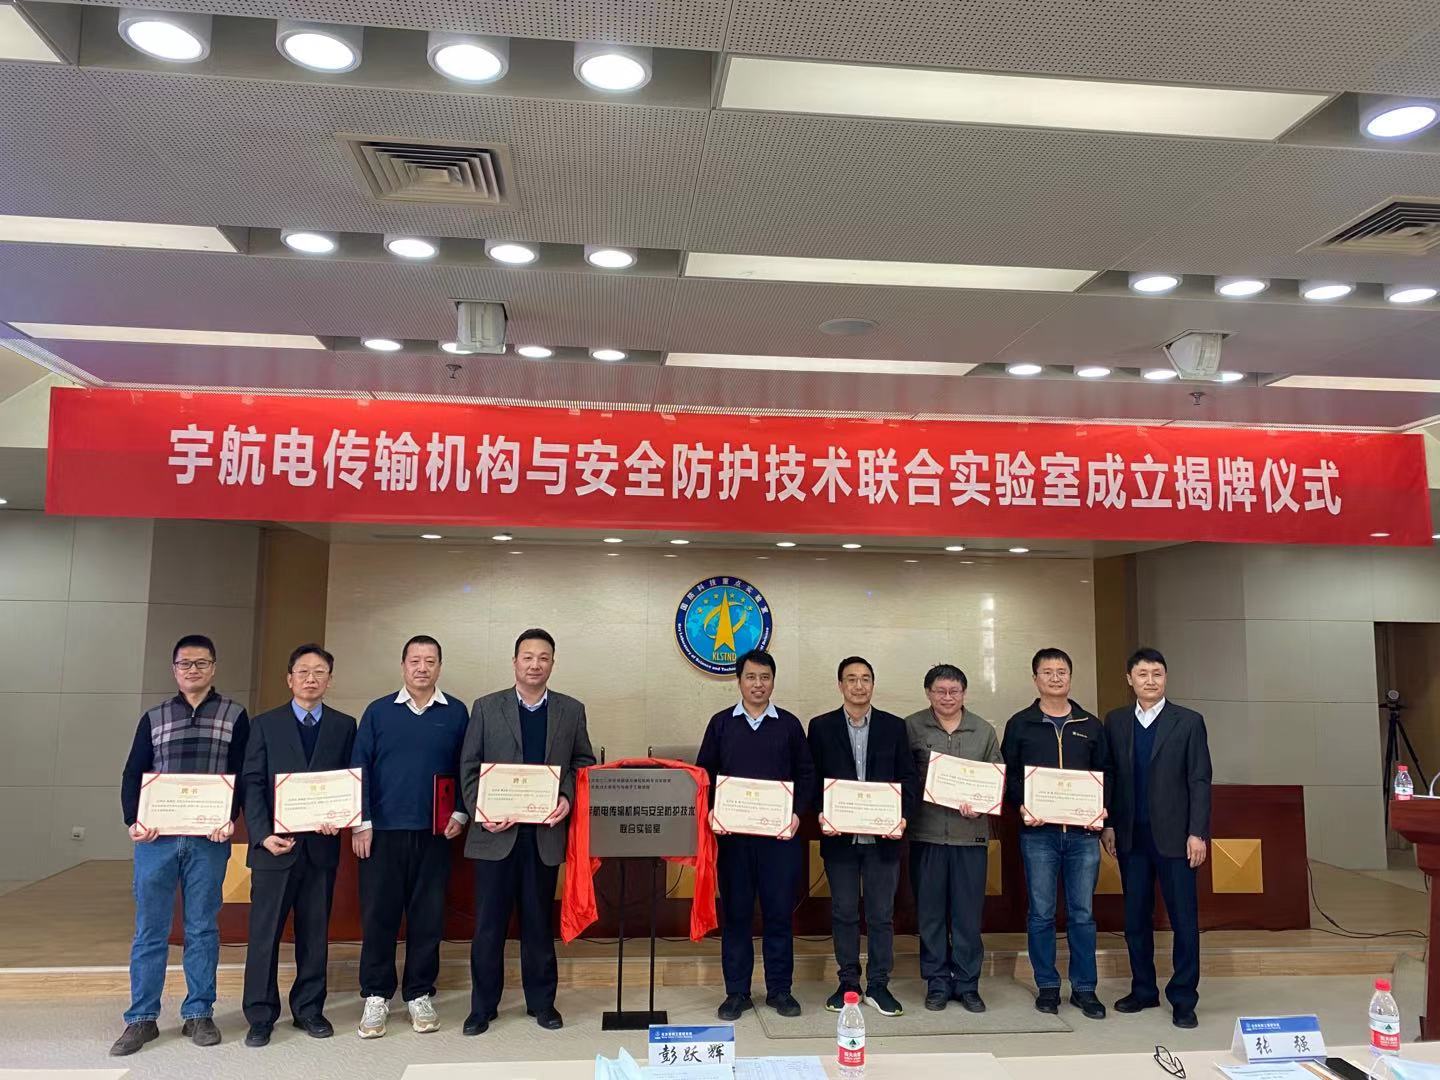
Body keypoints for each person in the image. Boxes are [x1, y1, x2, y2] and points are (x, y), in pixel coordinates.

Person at [111, 634, 250, 1057]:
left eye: (201, 663)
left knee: (202, 927)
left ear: (213, 667)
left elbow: (242, 774)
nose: (193, 670)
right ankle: (141, 1017)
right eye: (185, 664)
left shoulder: (235, 715)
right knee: (150, 929)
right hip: (158, 840)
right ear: (174, 670)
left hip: (209, 841)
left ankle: (199, 1013)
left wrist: (230, 817)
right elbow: (133, 773)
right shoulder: (154, 717)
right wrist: (134, 820)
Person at [460, 629, 597, 1035]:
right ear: (515, 662)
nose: (535, 664)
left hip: (544, 836)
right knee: (489, 926)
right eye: (527, 657)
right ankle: (482, 1007)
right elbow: (468, 766)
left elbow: (583, 763)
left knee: (538, 924)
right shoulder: (486, 707)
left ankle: (542, 1003)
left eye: (543, 658)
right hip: (495, 836)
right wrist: (482, 811)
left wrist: (567, 798)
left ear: (552, 663)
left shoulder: (571, 710)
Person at [350, 635, 469, 1039]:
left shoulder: (456, 712)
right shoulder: (379, 711)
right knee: (379, 916)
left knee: (428, 917)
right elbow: (359, 767)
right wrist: (362, 822)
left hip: (435, 833)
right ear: (402, 666)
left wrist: (461, 812)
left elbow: (466, 766)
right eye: (415, 660)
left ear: (439, 667)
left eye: (430, 661)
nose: (422, 667)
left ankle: (419, 992)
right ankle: (376, 995)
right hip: (382, 833)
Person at [240, 644, 357, 1047]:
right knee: (264, 935)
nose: (311, 678)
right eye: (303, 671)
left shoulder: (345, 726)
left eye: (319, 671)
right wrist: (261, 834)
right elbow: (252, 783)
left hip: (320, 847)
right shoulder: (263, 724)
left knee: (314, 933)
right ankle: (260, 1015)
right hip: (274, 847)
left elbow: (349, 782)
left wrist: (340, 817)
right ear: (289, 679)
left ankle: (309, 1008)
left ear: (329, 680)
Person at [697, 648, 817, 1021]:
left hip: (779, 841)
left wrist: (796, 814)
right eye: (751, 677)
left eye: (765, 677)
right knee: (736, 916)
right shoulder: (721, 723)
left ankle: (780, 990)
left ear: (773, 682)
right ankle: (737, 992)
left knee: (779, 914)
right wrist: (712, 810)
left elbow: (807, 774)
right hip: (733, 840)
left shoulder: (789, 725)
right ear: (739, 681)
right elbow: (704, 774)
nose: (758, 684)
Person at [1102, 647, 1212, 1029]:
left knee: (1184, 921)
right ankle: (1143, 989)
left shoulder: (1189, 721)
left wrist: (1197, 832)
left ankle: (1183, 998)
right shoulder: (1115, 721)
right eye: (1143, 674)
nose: (1150, 680)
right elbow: (1111, 776)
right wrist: (1109, 823)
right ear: (1129, 679)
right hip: (1131, 837)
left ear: (1166, 678)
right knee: (1135, 920)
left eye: (1157, 674)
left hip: (1177, 839)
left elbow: (1200, 780)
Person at [1001, 647, 1111, 1020]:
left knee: (1082, 914)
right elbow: (1009, 776)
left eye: (1061, 671)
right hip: (1038, 835)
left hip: (1083, 836)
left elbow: (1105, 775)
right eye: (1047, 672)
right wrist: (1022, 805)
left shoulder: (1090, 725)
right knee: (1041, 913)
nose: (1055, 677)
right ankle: (1047, 986)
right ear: (1035, 679)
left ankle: (1085, 989)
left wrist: (1102, 812)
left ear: (1070, 677)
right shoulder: (1021, 724)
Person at [807, 657, 916, 1017]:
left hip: (883, 840)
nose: (858, 685)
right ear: (840, 685)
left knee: (882, 915)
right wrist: (821, 813)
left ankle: (879, 984)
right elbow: (812, 779)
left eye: (865, 678)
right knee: (844, 912)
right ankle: (848, 983)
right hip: (840, 839)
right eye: (851, 679)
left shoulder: (894, 727)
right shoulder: (820, 727)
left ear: (873, 684)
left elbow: (908, 778)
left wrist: (901, 817)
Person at [904, 663, 1001, 1014]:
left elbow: (997, 780)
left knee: (967, 916)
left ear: (964, 693)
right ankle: (937, 982)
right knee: (930, 915)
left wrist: (983, 804)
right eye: (940, 691)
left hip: (969, 838)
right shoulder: (911, 727)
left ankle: (967, 983)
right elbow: (902, 778)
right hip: (926, 835)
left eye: (954, 691)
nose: (947, 697)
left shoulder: (983, 730)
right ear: (928, 693)